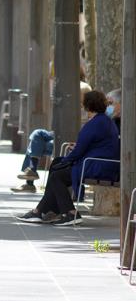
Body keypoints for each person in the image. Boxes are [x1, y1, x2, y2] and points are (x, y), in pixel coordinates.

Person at [16, 90, 120, 226]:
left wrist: (67, 160)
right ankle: (44, 211)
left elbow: (79, 152)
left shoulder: (95, 123)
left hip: (97, 166)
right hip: (100, 163)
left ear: (87, 106)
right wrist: (66, 158)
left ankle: (70, 213)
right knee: (56, 164)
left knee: (56, 175)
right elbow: (95, 144)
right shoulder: (105, 121)